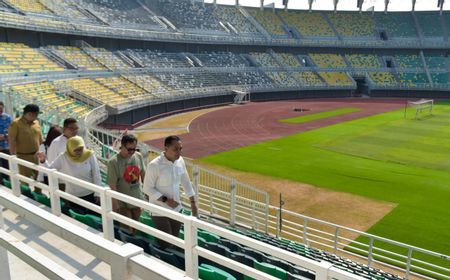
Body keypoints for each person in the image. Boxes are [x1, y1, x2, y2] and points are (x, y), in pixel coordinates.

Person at [142, 135, 198, 249]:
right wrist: (166, 200)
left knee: (175, 242)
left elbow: (186, 181)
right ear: (166, 148)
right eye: (175, 149)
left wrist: (193, 204)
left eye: (180, 148)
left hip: (176, 209)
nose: (179, 152)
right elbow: (147, 188)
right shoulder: (154, 165)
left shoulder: (180, 161)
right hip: (159, 210)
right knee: (167, 243)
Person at [37, 136, 101, 215]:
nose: (79, 152)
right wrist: (43, 160)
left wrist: (97, 193)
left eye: (81, 149)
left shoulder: (89, 155)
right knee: (78, 219)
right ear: (70, 149)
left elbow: (96, 174)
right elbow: (50, 169)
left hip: (90, 194)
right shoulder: (63, 157)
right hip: (73, 196)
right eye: (75, 150)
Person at [107, 134, 146, 232]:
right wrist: (115, 205)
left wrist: (146, 196)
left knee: (136, 229)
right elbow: (112, 186)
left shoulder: (138, 156)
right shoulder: (113, 162)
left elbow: (143, 175)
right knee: (127, 229)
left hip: (137, 199)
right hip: (123, 202)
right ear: (122, 146)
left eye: (134, 149)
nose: (132, 152)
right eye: (129, 149)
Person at [8, 104, 43, 192]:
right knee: (24, 180)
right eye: (36, 114)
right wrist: (13, 156)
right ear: (29, 114)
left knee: (38, 178)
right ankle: (26, 196)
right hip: (23, 156)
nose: (36, 116)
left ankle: (38, 194)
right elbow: (12, 140)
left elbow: (40, 138)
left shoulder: (36, 122)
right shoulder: (16, 123)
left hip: (36, 155)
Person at [0, 101, 12, 183]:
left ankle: (6, 182)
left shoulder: (7, 118)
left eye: (1, 109)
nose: (0, 111)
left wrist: (5, 136)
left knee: (6, 166)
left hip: (6, 147)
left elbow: (13, 131)